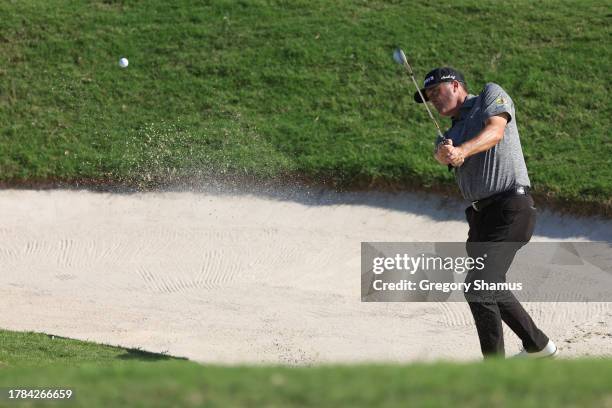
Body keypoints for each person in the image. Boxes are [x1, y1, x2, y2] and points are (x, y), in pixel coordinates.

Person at [413, 67, 558, 359]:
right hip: (480, 220)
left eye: (436, 92)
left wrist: (463, 151)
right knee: (490, 285)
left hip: (511, 208)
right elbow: (443, 154)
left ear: (455, 85)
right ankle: (539, 346)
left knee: (477, 287)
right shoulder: (447, 136)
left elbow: (495, 131)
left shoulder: (490, 96)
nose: (433, 100)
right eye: (429, 97)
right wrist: (442, 153)